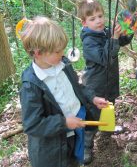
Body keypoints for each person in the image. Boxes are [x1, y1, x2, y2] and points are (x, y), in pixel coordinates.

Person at [19, 16, 108, 167]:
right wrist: (64, 122)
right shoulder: (31, 85)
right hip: (53, 147)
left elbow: (77, 87)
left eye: (62, 49)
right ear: (38, 53)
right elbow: (32, 124)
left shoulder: (63, 64)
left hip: (74, 132)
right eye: (57, 51)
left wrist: (92, 98)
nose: (62, 54)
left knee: (74, 161)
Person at [77, 0, 133, 164]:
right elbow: (105, 58)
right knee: (94, 114)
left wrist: (125, 29)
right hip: (95, 85)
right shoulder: (88, 41)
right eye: (93, 19)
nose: (99, 21)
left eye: (100, 16)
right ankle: (87, 146)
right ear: (84, 23)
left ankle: (107, 128)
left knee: (110, 105)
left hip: (109, 81)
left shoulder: (105, 31)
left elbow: (122, 41)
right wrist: (114, 37)